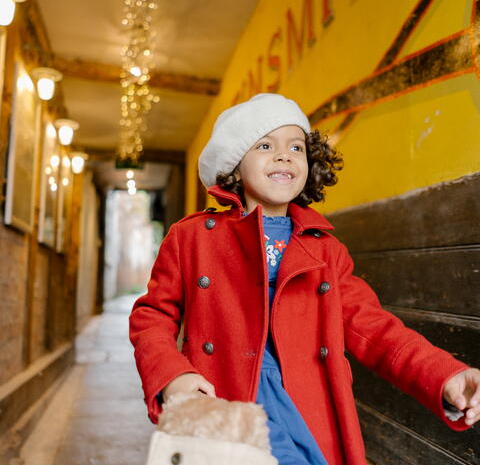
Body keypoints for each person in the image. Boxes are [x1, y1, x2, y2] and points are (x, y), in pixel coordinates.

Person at [129, 93, 480, 465]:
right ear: (234, 163)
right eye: (265, 144)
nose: (283, 155)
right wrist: (173, 376)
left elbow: (376, 331)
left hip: (307, 409)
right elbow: (151, 317)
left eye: (296, 147)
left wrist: (445, 375)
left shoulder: (327, 251)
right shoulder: (192, 238)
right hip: (223, 400)